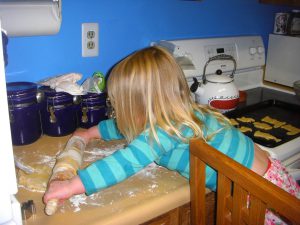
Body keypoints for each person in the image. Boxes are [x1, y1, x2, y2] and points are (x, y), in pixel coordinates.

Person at [43, 46, 299, 224]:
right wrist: (91, 133)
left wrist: (70, 186)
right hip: (271, 175)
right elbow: (128, 126)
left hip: (262, 196)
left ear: (141, 106)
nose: (115, 109)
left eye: (118, 104)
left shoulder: (165, 129)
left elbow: (125, 162)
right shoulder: (175, 113)